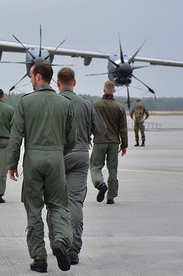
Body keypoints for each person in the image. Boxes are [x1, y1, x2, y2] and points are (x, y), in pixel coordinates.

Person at [7, 62, 76, 273]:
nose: (30, 80)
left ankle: (39, 258)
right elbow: (71, 139)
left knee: (34, 210)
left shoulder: (25, 102)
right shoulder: (65, 103)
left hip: (33, 159)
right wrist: (57, 152)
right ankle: (61, 241)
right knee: (59, 206)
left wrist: (12, 163)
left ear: (38, 77)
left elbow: (16, 136)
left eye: (31, 76)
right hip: (56, 158)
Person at [56, 67, 106, 265]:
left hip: (57, 156)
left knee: (56, 202)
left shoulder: (54, 102)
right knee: (75, 201)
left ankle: (58, 240)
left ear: (57, 83)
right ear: (74, 82)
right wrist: (87, 136)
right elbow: (101, 130)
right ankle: (73, 248)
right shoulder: (86, 104)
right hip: (79, 155)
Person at [89, 80, 128, 205]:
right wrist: (124, 145)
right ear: (114, 90)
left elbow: (90, 123)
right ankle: (111, 197)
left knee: (95, 166)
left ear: (103, 90)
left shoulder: (95, 105)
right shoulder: (119, 108)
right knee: (113, 170)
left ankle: (100, 184)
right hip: (114, 142)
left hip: (100, 141)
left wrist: (87, 138)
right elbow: (123, 129)